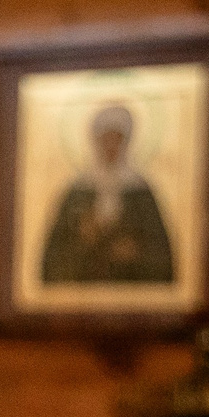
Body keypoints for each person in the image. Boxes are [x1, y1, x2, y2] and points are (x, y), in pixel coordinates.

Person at [38, 102, 175, 284]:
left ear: (126, 142)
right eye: (106, 139)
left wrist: (135, 253)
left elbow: (160, 255)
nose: (111, 146)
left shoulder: (140, 191)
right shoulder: (77, 191)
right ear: (96, 141)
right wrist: (82, 241)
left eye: (116, 139)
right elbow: (54, 257)